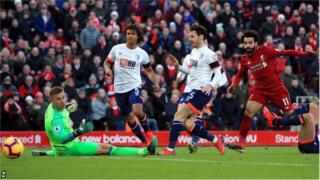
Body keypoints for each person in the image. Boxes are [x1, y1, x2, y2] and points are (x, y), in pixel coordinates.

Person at [225, 30, 315, 153]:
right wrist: (233, 84)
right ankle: (241, 143)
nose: (247, 46)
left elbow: (287, 52)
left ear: (256, 43)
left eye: (250, 43)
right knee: (248, 111)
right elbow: (240, 74)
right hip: (260, 90)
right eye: (245, 43)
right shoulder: (245, 59)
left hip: (277, 89)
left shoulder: (266, 51)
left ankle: (287, 117)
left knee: (290, 116)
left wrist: (304, 54)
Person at [158, 25, 227, 156]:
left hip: (201, 91)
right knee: (189, 124)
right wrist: (178, 66)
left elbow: (218, 73)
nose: (190, 39)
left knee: (178, 115)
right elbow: (189, 72)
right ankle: (216, 140)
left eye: (192, 36)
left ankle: (170, 148)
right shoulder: (194, 53)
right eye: (190, 36)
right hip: (192, 90)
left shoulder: (209, 54)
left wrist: (211, 85)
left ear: (201, 37)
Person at [32, 86, 157, 156]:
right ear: (52, 100)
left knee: (58, 148)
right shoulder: (55, 120)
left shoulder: (55, 106)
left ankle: (46, 154)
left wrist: (69, 107)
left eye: (64, 97)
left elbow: (65, 109)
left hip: (59, 149)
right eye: (59, 99)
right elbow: (62, 139)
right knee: (107, 148)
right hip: (70, 148)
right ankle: (145, 150)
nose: (63, 101)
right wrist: (79, 131)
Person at [104, 24, 160, 147]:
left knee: (137, 111)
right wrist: (107, 69)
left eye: (133, 34)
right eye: (128, 33)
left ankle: (150, 135)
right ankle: (145, 143)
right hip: (119, 89)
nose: (130, 36)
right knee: (129, 119)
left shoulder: (142, 54)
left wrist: (155, 83)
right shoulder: (116, 49)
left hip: (134, 85)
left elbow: (149, 70)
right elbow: (107, 63)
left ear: (138, 36)